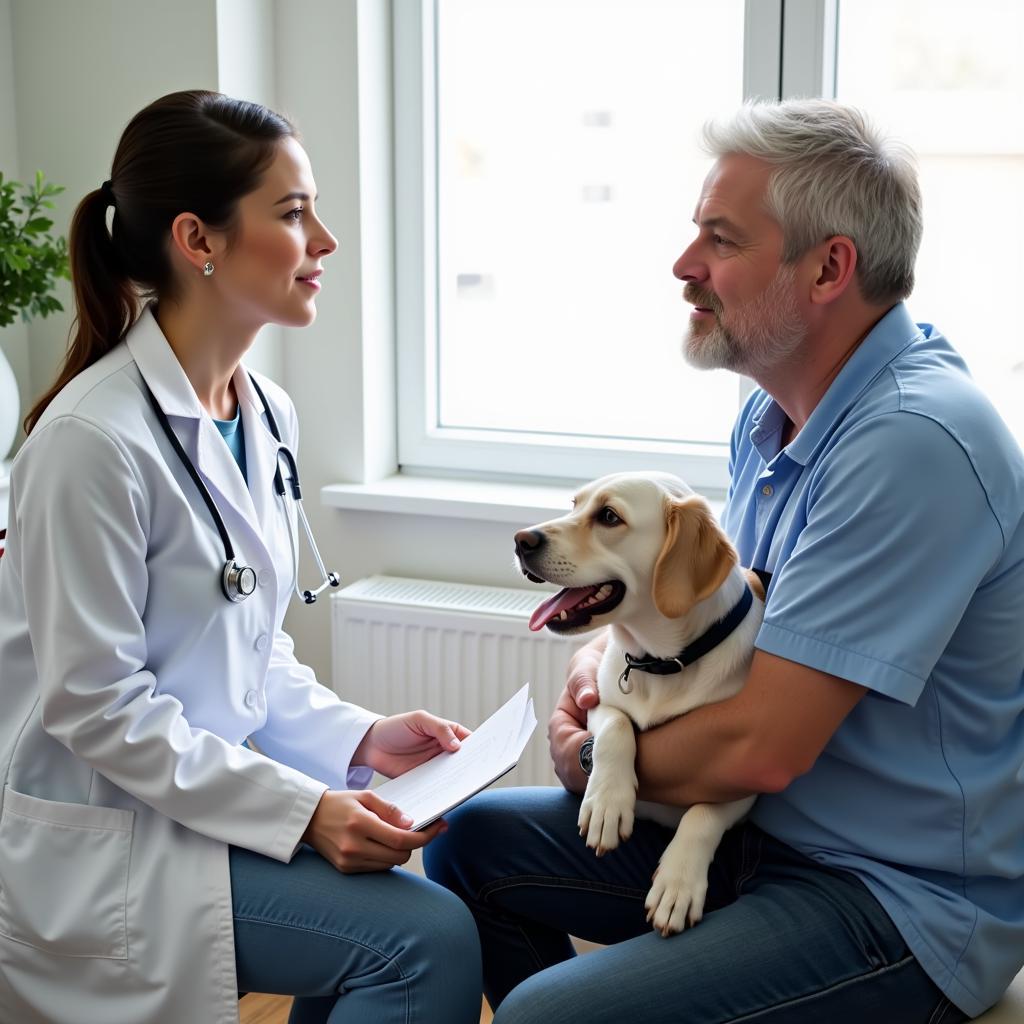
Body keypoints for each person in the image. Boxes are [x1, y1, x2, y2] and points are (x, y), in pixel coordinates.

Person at [424, 98, 1024, 1023]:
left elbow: (761, 745)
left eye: (721, 238)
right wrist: (604, 662)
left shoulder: (914, 440)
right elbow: (723, 621)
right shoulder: (771, 416)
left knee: (548, 1015)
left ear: (829, 268)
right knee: (468, 843)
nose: (684, 265)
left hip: (892, 898)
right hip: (767, 839)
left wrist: (595, 752)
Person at [0, 90, 481, 1024]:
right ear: (199, 239)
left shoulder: (261, 413)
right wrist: (303, 810)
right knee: (422, 943)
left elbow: (249, 646)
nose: (325, 241)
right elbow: (96, 706)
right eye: (295, 214)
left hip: (199, 805)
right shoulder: (91, 441)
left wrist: (358, 738)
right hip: (113, 843)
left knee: (408, 931)